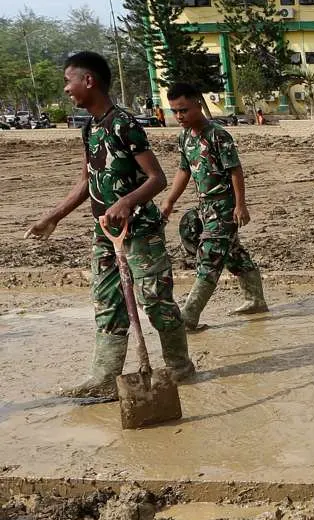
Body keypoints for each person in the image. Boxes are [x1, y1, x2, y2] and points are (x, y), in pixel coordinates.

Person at [25, 51, 194, 399]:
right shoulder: (89, 128)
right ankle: (104, 376)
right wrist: (54, 216)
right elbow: (88, 180)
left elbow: (156, 178)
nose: (66, 88)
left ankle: (179, 367)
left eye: (69, 80)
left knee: (155, 299)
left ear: (89, 81)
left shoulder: (124, 124)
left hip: (140, 231)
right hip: (104, 233)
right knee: (106, 300)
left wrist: (126, 202)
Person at [161, 82, 268, 331]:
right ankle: (255, 299)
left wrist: (240, 205)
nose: (179, 116)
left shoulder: (217, 135)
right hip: (204, 208)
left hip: (224, 208)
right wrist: (169, 201)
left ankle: (189, 316)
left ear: (198, 103)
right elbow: (184, 170)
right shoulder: (185, 137)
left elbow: (235, 170)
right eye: (175, 111)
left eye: (184, 110)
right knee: (232, 253)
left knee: (210, 256)